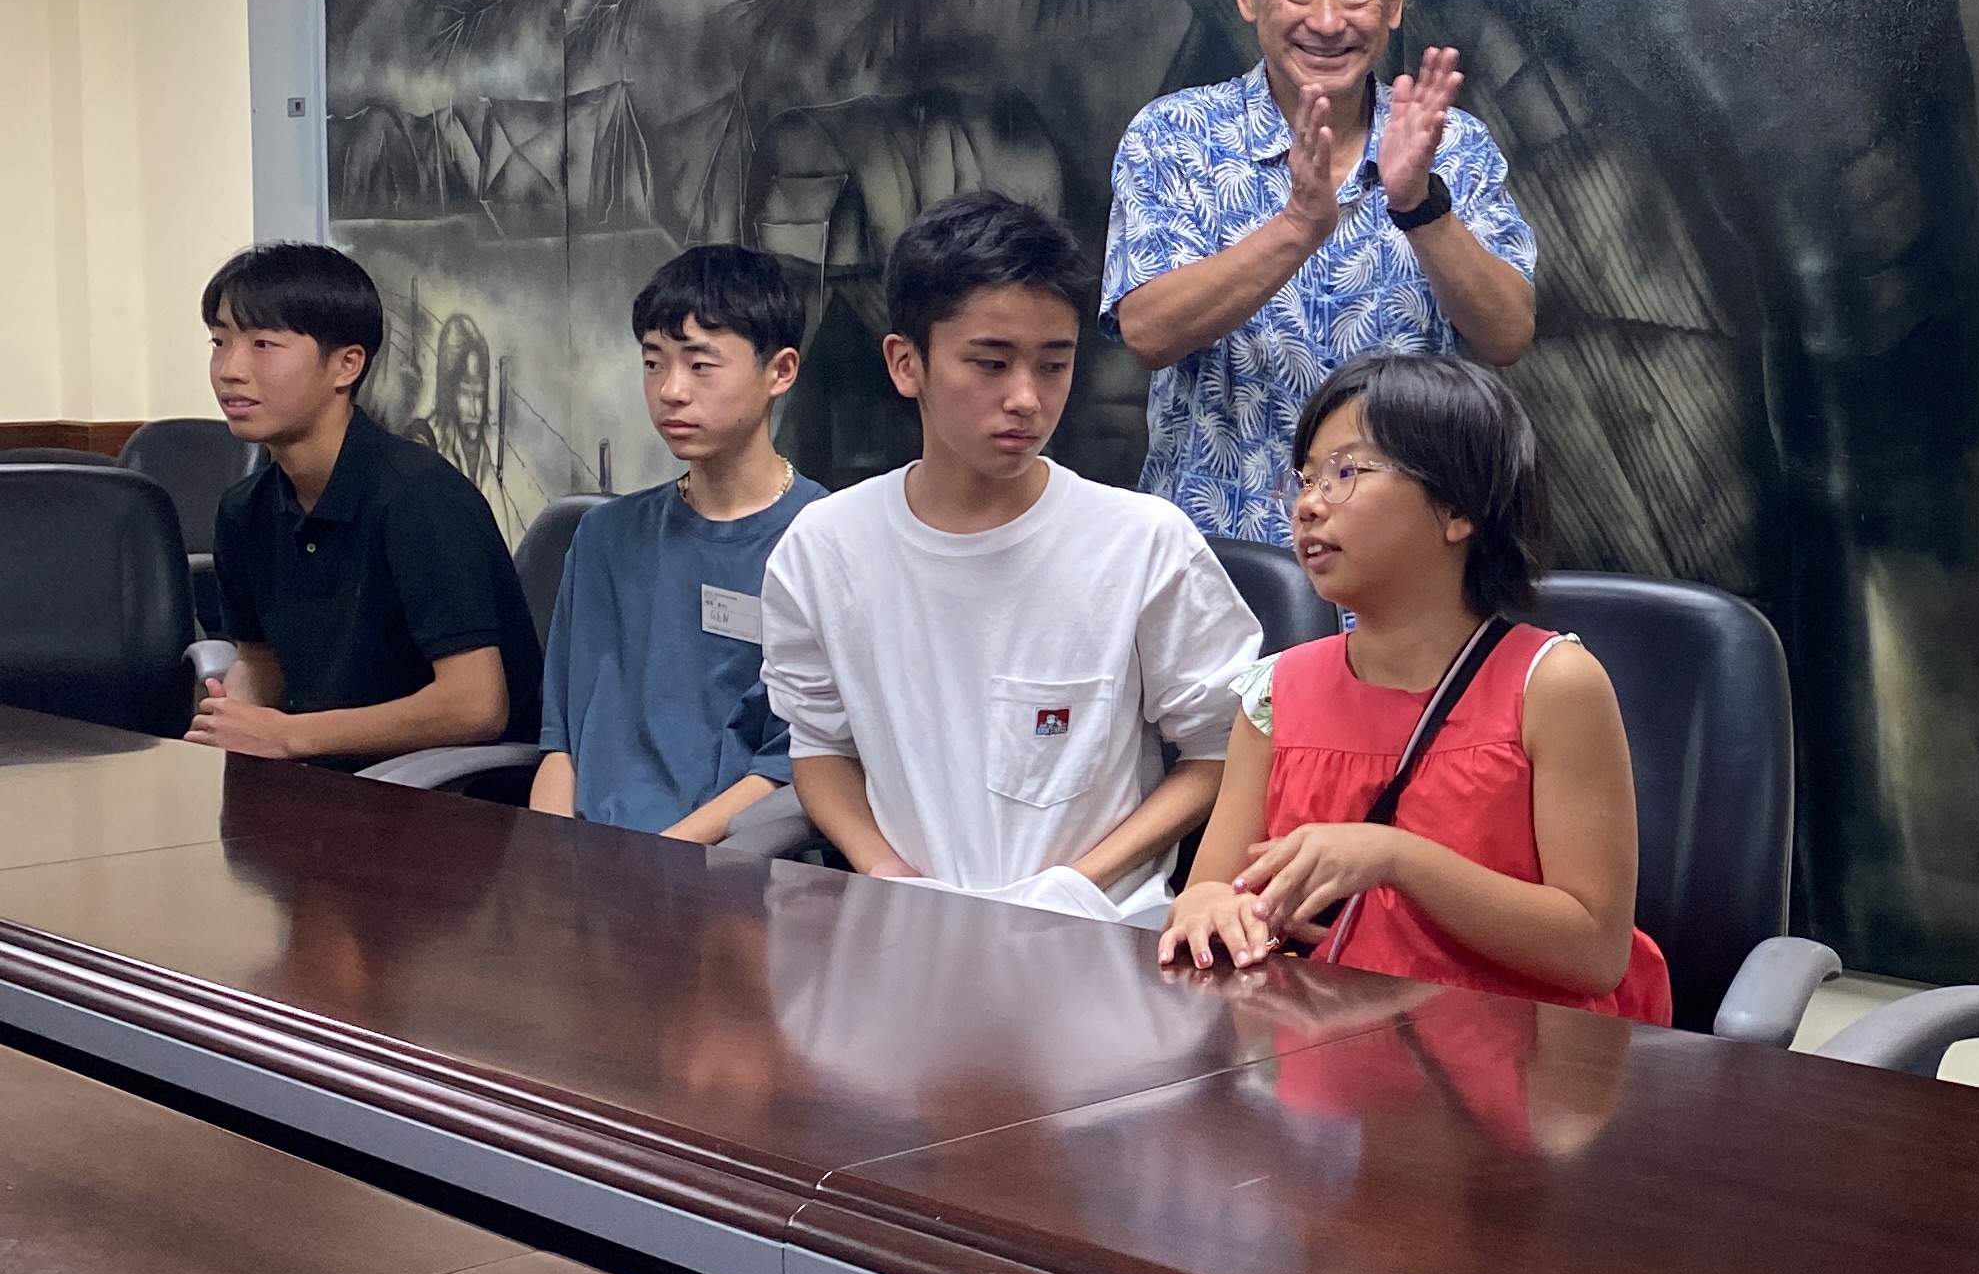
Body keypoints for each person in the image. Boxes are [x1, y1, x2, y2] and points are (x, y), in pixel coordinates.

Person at [759, 192, 1259, 920]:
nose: (1025, 398)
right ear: (906, 364)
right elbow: (820, 746)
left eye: (1053, 366)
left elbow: (1224, 747)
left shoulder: (1142, 543)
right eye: (990, 364)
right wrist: (887, 873)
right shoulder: (825, 548)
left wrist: (1079, 883)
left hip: (1100, 938)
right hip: (909, 940)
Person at [1161, 354, 1672, 1023]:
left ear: (1458, 509)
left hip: (1522, 1063)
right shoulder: (1274, 692)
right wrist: (1208, 910)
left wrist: (1396, 859)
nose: (1310, 503)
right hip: (1325, 1072)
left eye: (1347, 472)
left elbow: (1594, 951)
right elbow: (1208, 893)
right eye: (1307, 477)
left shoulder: (1553, 684)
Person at [1102, 0, 1539, 544]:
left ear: (1393, 2)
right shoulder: (1172, 136)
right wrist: (1296, 231)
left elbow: (1507, 334)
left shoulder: (1453, 144)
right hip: (1225, 566)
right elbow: (1149, 332)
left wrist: (1421, 206)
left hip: (1402, 571)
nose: (1327, 22)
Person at [190, 242, 544, 765]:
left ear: (346, 365)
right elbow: (261, 666)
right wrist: (232, 723)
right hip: (322, 788)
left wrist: (292, 737)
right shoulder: (245, 510)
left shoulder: (419, 496)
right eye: (220, 342)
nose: (229, 369)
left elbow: (476, 705)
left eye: (263, 344)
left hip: (451, 802)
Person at [530, 245, 827, 841]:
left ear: (781, 371)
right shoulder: (605, 538)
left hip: (724, 869)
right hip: (585, 868)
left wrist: (662, 861)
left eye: (700, 365)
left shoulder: (824, 542)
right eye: (653, 363)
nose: (670, 391)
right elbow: (559, 743)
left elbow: (788, 761)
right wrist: (551, 864)